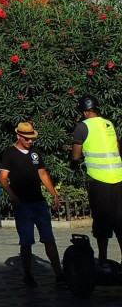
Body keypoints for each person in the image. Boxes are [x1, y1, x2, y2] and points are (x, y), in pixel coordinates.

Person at [0, 122, 65, 287]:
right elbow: (3, 178)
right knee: (26, 241)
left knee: (49, 238)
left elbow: (42, 173)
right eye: (27, 139)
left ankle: (59, 273)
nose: (30, 142)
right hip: (23, 204)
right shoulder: (10, 154)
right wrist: (13, 196)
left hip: (39, 202)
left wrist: (54, 194)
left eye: (32, 139)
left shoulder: (35, 152)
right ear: (19, 136)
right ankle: (28, 275)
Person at [70, 95, 122, 271]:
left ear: (84, 111)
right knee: (119, 219)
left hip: (98, 179)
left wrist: (72, 153)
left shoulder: (82, 127)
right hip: (118, 176)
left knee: (101, 220)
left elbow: (76, 156)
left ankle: (102, 260)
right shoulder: (108, 124)